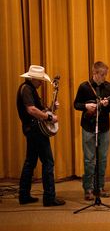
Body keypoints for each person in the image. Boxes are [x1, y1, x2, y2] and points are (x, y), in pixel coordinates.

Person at [16, 65, 65, 206]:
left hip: (32, 129)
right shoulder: (26, 90)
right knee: (48, 162)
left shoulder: (29, 89)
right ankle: (49, 197)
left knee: (30, 161)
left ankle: (24, 195)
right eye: (40, 80)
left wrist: (50, 109)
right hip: (35, 130)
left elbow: (39, 110)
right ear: (33, 78)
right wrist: (49, 118)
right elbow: (31, 110)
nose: (41, 82)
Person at [74, 61, 110, 200]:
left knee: (102, 159)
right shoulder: (84, 87)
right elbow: (76, 104)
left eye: (105, 74)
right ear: (94, 73)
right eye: (102, 74)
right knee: (89, 159)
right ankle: (88, 189)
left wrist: (107, 104)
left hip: (104, 127)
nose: (104, 77)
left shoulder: (109, 87)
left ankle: (100, 186)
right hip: (89, 127)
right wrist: (86, 106)